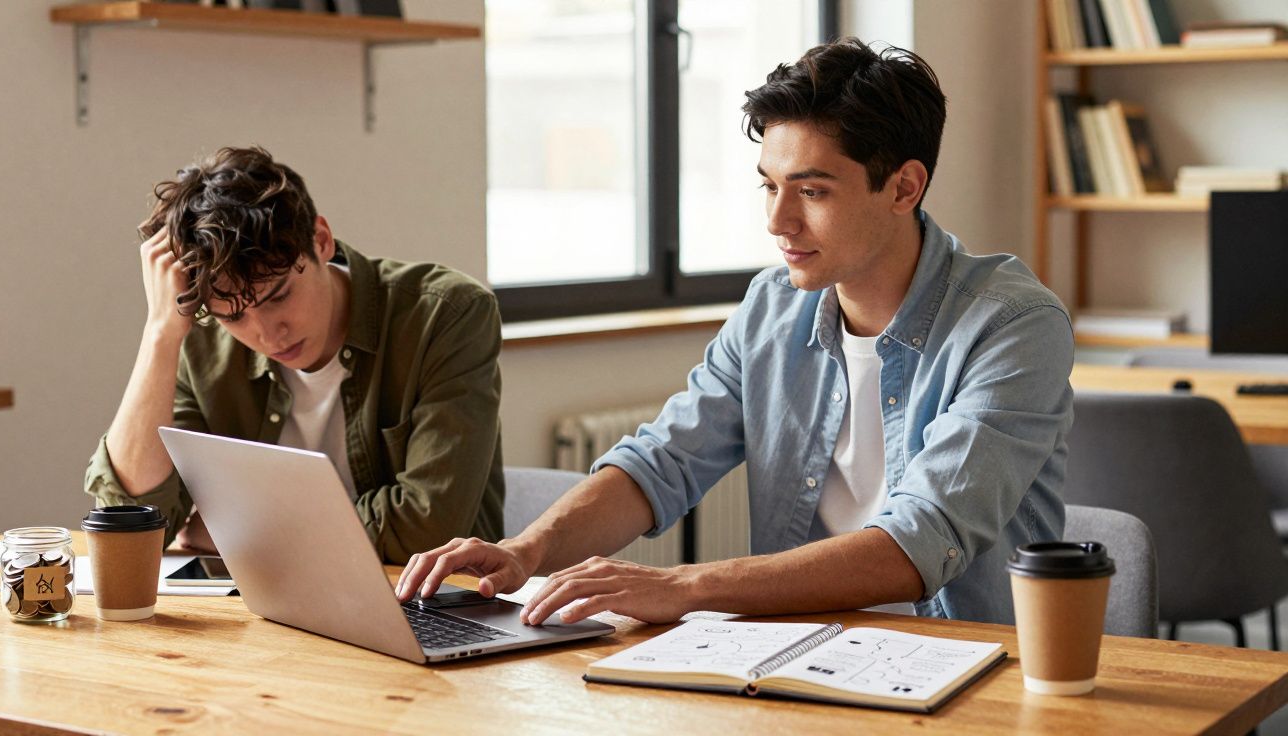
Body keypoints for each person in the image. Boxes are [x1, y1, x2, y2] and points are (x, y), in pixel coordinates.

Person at [397, 37, 1074, 625]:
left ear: (904, 188)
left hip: (967, 668)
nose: (778, 222)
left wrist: (685, 586)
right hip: (792, 652)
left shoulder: (1013, 326)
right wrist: (526, 551)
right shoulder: (772, 306)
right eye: (768, 186)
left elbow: (920, 540)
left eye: (811, 192)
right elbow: (664, 459)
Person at [85, 146, 505, 563]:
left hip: (431, 606)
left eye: (278, 296)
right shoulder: (200, 341)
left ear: (320, 240)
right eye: (233, 317)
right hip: (267, 610)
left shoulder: (445, 315)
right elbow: (128, 530)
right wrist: (160, 332)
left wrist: (239, 530)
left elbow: (428, 529)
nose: (267, 334)